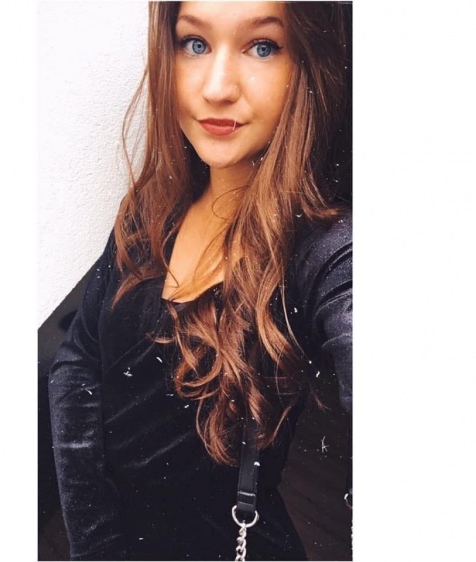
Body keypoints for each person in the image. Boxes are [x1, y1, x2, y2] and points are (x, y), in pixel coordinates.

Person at [48, 1, 352, 560]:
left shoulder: (323, 253)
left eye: (263, 46)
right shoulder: (150, 210)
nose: (216, 88)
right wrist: (96, 546)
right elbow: (78, 360)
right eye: (195, 43)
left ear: (309, 61)